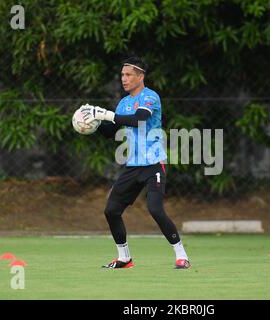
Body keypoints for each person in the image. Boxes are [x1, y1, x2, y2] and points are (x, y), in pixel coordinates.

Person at [81, 56, 191, 269]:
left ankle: (182, 256)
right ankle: (124, 258)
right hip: (133, 166)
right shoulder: (124, 102)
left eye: (128, 74)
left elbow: (138, 119)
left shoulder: (150, 97)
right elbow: (111, 130)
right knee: (111, 210)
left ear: (140, 76)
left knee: (155, 209)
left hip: (153, 164)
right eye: (122, 74)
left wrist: (105, 114)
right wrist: (92, 123)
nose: (124, 78)